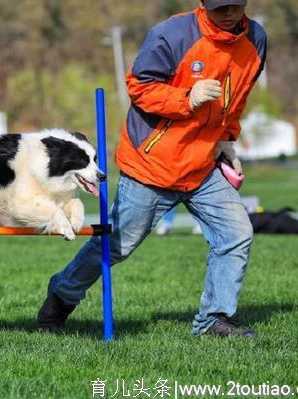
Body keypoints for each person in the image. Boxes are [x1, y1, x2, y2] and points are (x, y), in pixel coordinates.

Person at [38, 0, 266, 337]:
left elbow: (237, 97)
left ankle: (214, 320)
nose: (229, 12)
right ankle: (62, 294)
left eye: (236, 4)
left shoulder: (256, 38)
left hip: (201, 166)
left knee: (236, 233)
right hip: (151, 166)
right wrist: (186, 98)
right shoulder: (171, 35)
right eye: (220, 7)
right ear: (203, 4)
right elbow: (140, 88)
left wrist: (227, 138)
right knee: (116, 246)